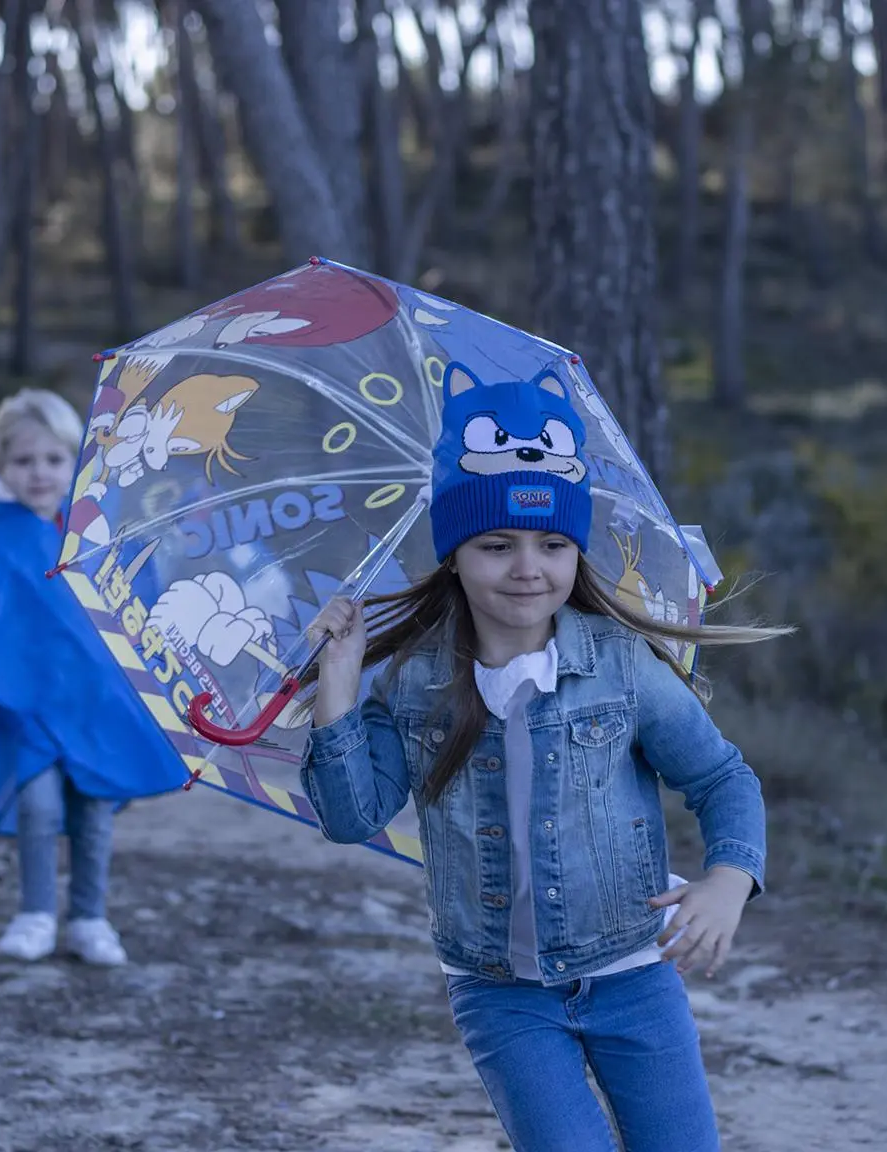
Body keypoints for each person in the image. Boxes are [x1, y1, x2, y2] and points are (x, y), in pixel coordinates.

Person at [299, 362, 786, 1151]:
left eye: (552, 544)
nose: (527, 567)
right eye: (495, 544)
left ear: (575, 553)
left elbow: (721, 776)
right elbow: (352, 817)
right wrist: (341, 680)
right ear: (455, 552)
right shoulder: (415, 679)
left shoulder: (624, 667)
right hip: (500, 994)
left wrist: (730, 879)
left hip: (632, 974)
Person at [0, 388, 187, 966]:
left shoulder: (98, 533)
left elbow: (140, 600)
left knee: (93, 809)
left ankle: (89, 917)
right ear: (1, 467)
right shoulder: (1, 538)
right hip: (27, 706)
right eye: (23, 461)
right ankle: (36, 912)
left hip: (96, 702)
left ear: (76, 462)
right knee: (37, 806)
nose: (38, 473)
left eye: (52, 459)